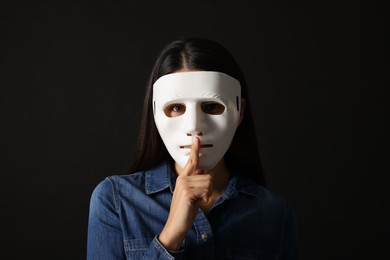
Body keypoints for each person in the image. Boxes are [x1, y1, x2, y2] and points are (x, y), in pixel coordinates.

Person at [86, 37, 299, 259]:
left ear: (240, 112)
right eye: (176, 107)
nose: (194, 127)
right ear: (155, 112)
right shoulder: (115, 201)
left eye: (212, 106)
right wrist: (170, 236)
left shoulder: (275, 213)